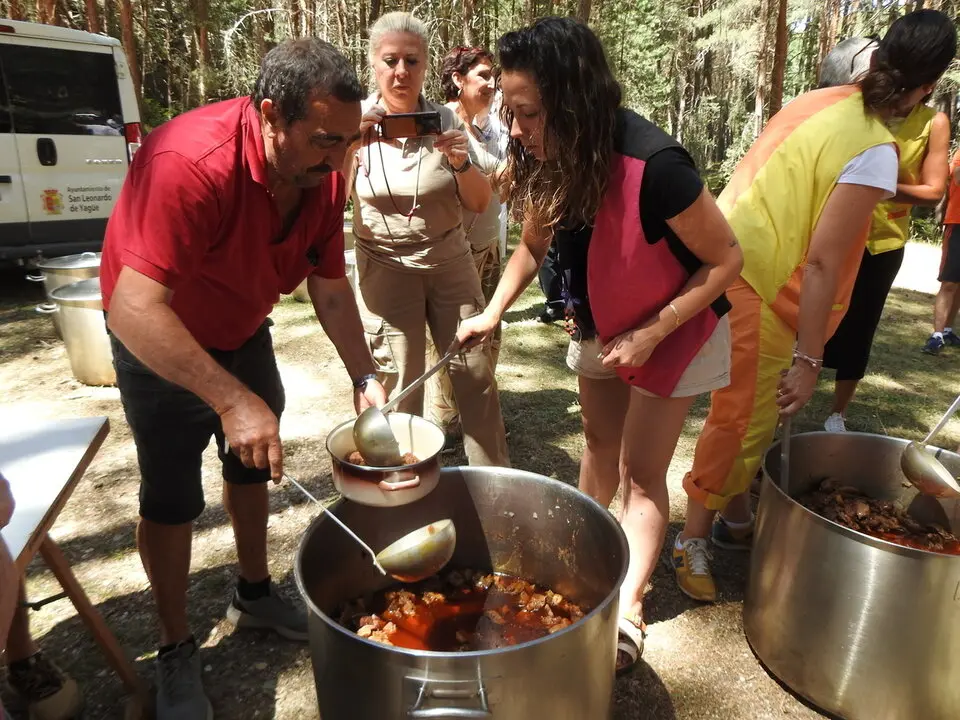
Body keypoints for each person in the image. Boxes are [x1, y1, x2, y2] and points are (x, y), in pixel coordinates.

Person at [100, 39, 386, 719]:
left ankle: (254, 593)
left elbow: (330, 286)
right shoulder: (189, 162)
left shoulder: (322, 171)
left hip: (241, 327)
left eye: (348, 141)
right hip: (161, 339)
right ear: (270, 114)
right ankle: (175, 645)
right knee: (172, 497)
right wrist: (231, 400)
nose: (338, 159)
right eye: (325, 140)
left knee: (252, 464)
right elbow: (134, 307)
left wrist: (363, 374)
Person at [456, 17, 743, 669]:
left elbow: (727, 259)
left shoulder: (657, 165)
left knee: (642, 473)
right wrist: (493, 312)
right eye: (512, 112)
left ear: (575, 102)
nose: (516, 129)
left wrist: (654, 330)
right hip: (603, 321)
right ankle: (581, 563)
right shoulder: (551, 157)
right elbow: (533, 245)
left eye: (529, 113)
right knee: (597, 444)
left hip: (677, 325)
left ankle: (629, 606)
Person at [675, 9, 957, 602]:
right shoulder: (875, 149)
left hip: (730, 262)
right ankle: (691, 538)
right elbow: (826, 261)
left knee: (747, 416)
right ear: (928, 86)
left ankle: (735, 517)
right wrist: (809, 359)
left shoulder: (815, 101)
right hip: (762, 285)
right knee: (743, 420)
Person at [346, 12, 509, 467]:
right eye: (391, 60)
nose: (401, 71)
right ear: (374, 64)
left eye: (412, 61)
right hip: (385, 270)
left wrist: (460, 162)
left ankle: (494, 486)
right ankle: (401, 485)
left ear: (424, 65)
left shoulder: (446, 118)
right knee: (399, 386)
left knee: (474, 377)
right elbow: (331, 203)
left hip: (449, 265)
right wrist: (351, 145)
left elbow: (479, 200)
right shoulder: (354, 122)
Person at [818, 36, 950, 430]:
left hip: (882, 242)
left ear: (929, 86)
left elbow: (934, 191)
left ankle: (837, 414)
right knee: (807, 315)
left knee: (861, 326)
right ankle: (783, 400)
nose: (906, 95)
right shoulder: (864, 104)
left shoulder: (932, 123)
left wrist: (874, 183)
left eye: (917, 87)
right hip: (835, 231)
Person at [425, 45, 509, 439]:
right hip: (459, 251)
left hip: (488, 244)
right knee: (455, 336)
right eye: (484, 76)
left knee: (489, 332)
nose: (492, 84)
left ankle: (475, 407)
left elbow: (499, 185)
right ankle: (447, 419)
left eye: (494, 77)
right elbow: (494, 178)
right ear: (458, 79)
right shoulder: (446, 124)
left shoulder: (484, 126)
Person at [921, 146, 960, 355]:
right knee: (949, 281)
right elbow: (958, 177)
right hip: (958, 223)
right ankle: (936, 336)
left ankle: (947, 330)